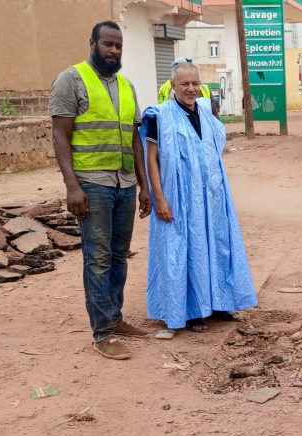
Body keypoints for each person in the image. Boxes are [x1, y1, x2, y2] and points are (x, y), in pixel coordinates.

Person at [50, 21, 153, 360]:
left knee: (119, 255)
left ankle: (116, 318)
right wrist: (71, 186)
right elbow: (60, 136)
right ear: (93, 43)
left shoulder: (126, 85)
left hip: (124, 183)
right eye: (108, 44)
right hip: (92, 184)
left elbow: (135, 140)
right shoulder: (71, 79)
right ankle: (103, 333)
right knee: (98, 258)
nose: (114, 51)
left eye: (118, 46)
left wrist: (143, 186)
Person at [141, 62, 258, 336]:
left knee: (217, 246)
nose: (191, 89)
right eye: (184, 84)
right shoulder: (160, 116)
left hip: (213, 198)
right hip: (179, 197)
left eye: (195, 83)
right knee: (182, 252)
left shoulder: (206, 112)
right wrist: (159, 198)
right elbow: (152, 159)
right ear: (173, 86)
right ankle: (189, 310)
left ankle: (219, 303)